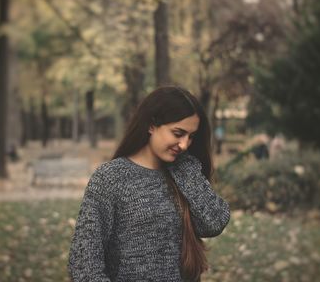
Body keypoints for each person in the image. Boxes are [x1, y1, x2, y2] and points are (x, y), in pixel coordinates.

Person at [68, 86, 231, 282]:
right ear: (152, 125)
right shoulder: (111, 178)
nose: (185, 145)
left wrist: (185, 168)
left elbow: (214, 223)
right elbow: (84, 262)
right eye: (178, 133)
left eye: (191, 136)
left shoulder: (184, 173)